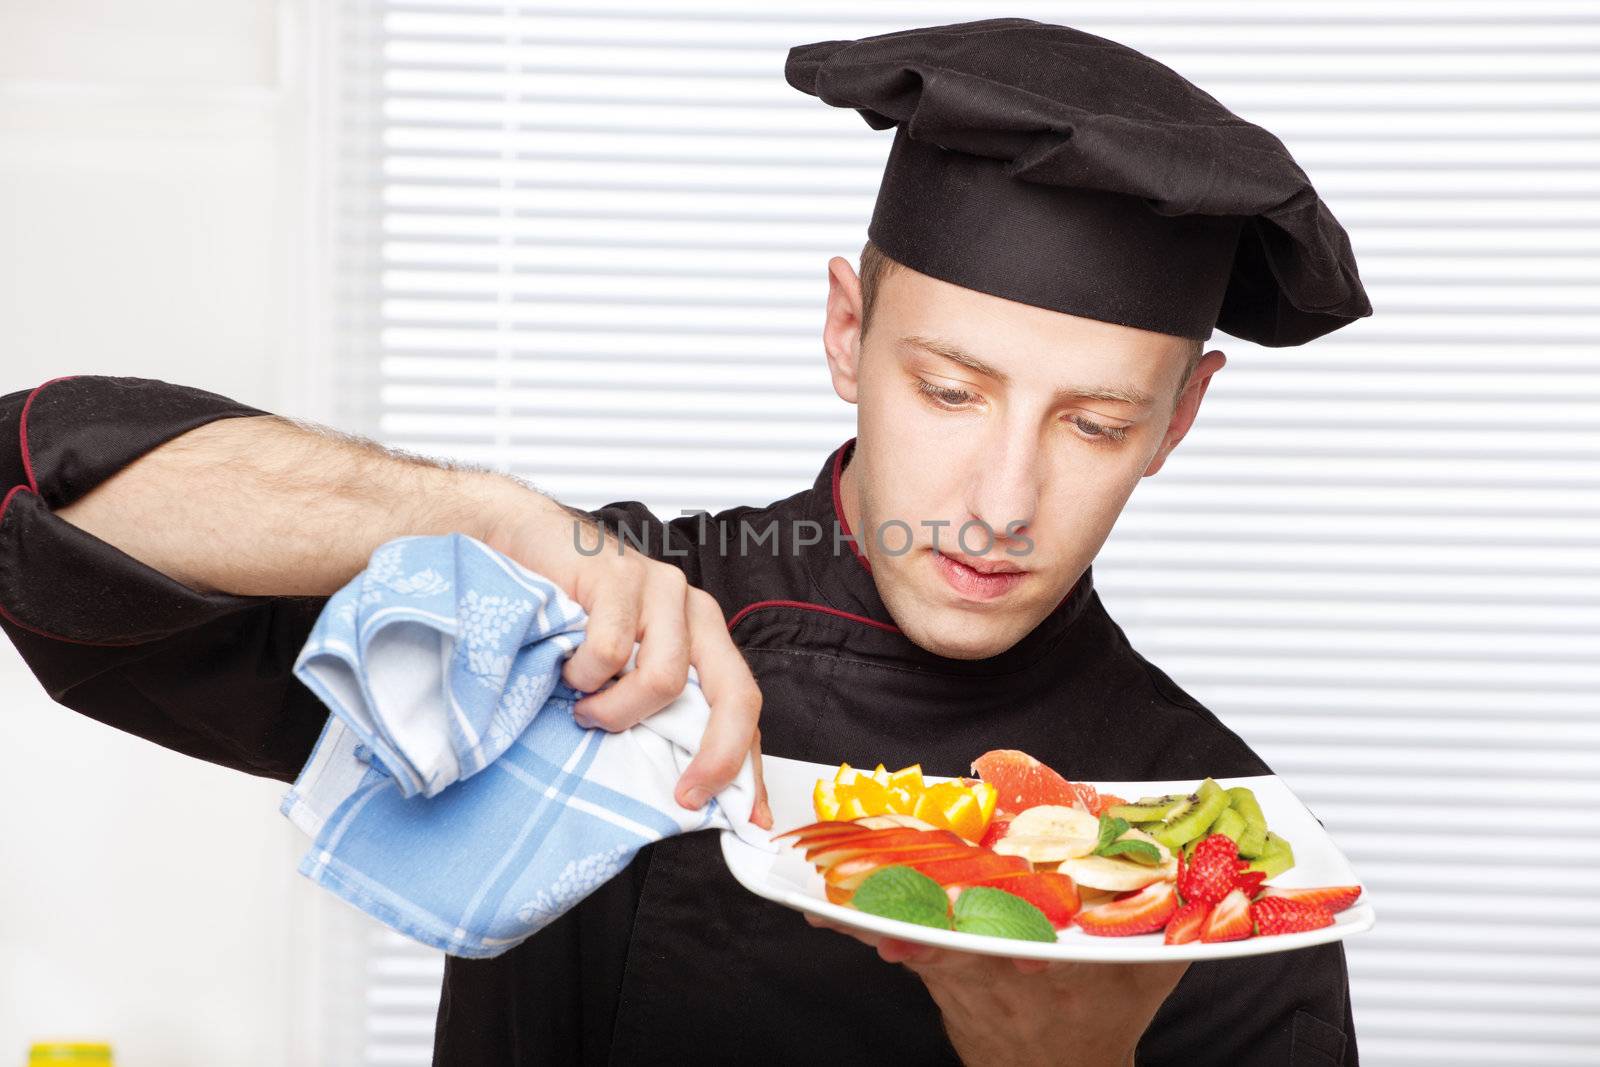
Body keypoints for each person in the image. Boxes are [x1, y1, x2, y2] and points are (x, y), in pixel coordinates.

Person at [0, 17, 1371, 1067]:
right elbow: (37, 501)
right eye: (950, 391)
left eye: (1092, 425)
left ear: (1179, 420)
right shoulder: (586, 625)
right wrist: (489, 517)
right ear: (849, 334)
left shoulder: (1224, 849)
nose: (1000, 502)